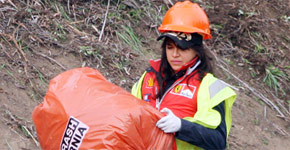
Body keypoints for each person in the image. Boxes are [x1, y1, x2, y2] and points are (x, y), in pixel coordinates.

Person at [131, 1, 236, 150]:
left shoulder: (209, 86)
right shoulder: (148, 76)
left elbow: (218, 141)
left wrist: (181, 126)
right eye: (169, 47)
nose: (174, 54)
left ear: (196, 50)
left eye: (182, 48)